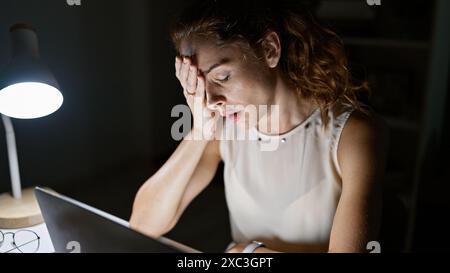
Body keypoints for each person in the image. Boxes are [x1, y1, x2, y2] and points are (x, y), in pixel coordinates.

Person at [130, 0, 389, 253]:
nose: (211, 100)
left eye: (222, 76)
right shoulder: (223, 128)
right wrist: (200, 131)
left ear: (270, 49)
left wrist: (248, 252)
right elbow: (142, 225)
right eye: (199, 83)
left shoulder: (353, 134)